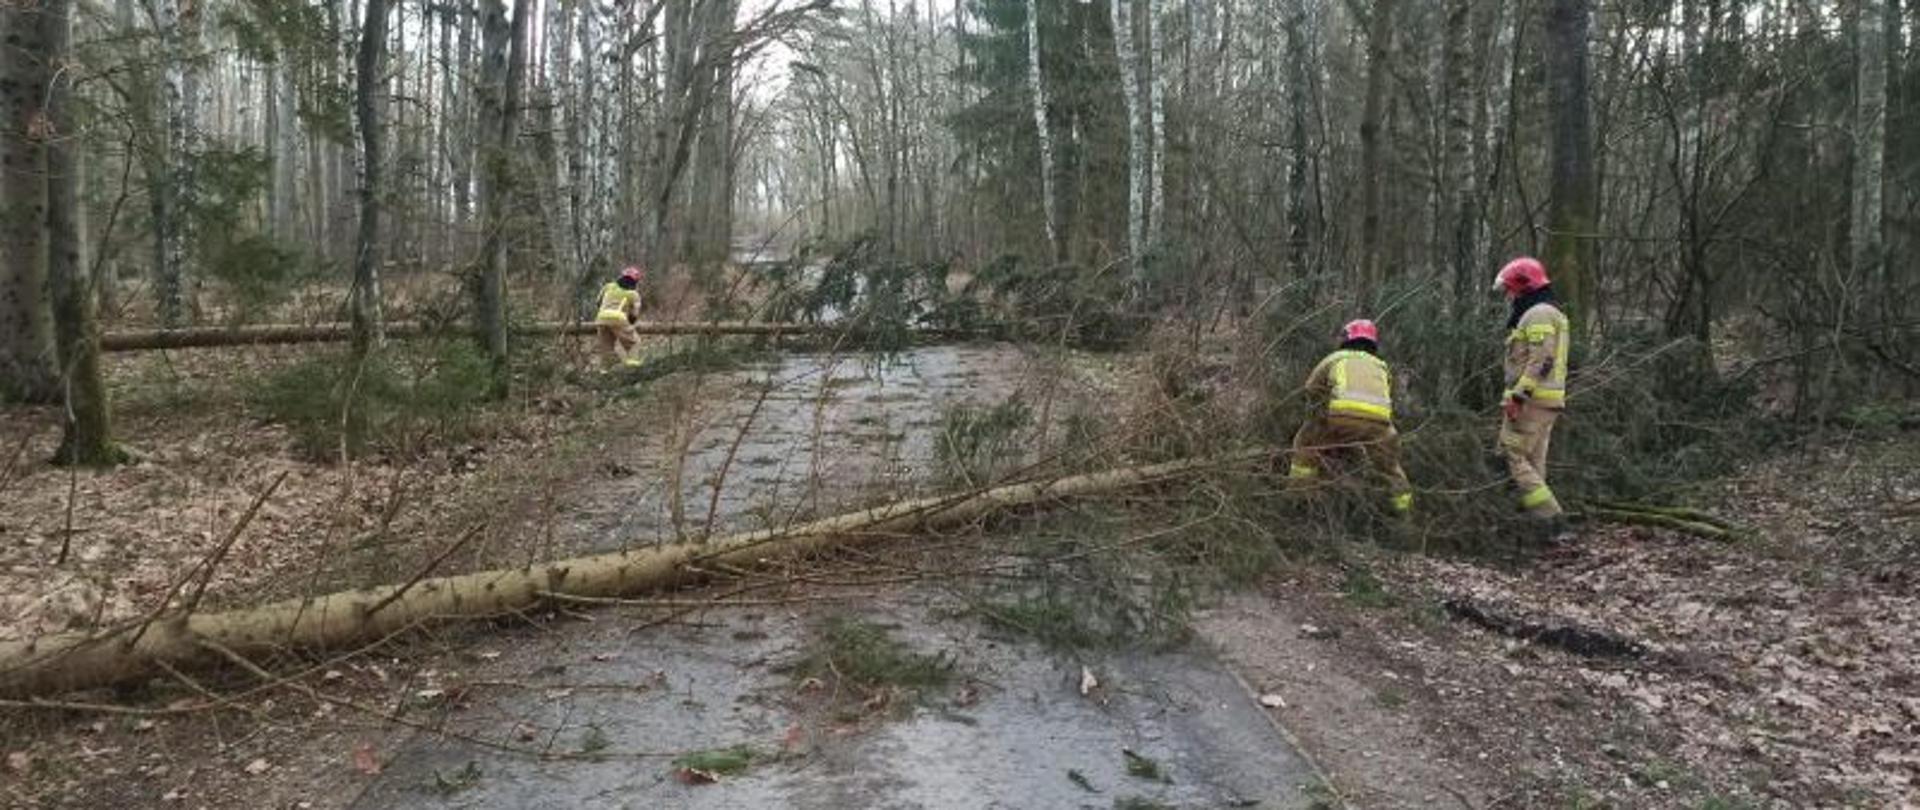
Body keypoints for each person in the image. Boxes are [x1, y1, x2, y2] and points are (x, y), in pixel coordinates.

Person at [1287, 319, 1414, 517]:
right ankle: (1403, 512)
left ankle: (1299, 499)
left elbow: (1310, 389)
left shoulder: (1334, 359)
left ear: (1346, 338)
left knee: (1304, 446)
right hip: (1379, 424)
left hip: (1340, 418)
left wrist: (1316, 416)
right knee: (1391, 467)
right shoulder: (1382, 366)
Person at [1491, 256, 1570, 529]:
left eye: (1510, 290)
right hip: (1546, 400)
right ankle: (1537, 525)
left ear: (1523, 286)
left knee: (1511, 455)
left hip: (1532, 401)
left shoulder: (1537, 314)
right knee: (1534, 463)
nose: (1509, 296)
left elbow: (1542, 360)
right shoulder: (1549, 311)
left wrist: (1518, 396)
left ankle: (1553, 519)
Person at [595, 266, 645, 369]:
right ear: (635, 282)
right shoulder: (633, 294)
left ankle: (605, 371)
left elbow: (598, 302)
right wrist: (630, 322)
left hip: (601, 318)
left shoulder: (608, 286)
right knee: (634, 343)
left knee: (607, 348)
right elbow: (635, 313)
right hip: (618, 318)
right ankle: (632, 365)